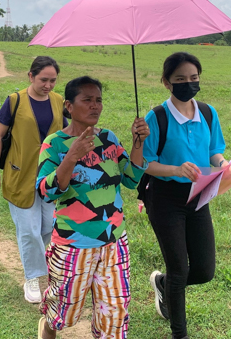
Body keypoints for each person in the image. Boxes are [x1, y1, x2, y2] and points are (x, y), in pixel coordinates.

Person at [35, 76, 149, 339]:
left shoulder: (109, 139)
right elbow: (47, 191)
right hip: (73, 243)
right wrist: (72, 157)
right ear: (69, 106)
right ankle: (48, 326)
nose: (95, 105)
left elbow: (131, 179)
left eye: (98, 100)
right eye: (87, 100)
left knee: (115, 314)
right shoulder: (54, 144)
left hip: (113, 240)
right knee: (65, 312)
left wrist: (137, 142)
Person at [141, 52, 231, 339]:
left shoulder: (208, 112)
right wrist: (177, 169)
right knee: (180, 268)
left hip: (198, 196)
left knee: (205, 270)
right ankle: (179, 333)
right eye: (180, 79)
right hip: (164, 197)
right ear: (167, 83)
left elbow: (213, 150)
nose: (188, 83)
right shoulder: (156, 117)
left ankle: (163, 284)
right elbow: (146, 163)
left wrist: (222, 164)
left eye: (193, 78)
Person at [0, 56, 67, 304]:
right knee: (28, 229)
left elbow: (65, 134)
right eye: (44, 79)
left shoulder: (57, 101)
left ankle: (35, 264)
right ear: (30, 76)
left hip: (49, 176)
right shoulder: (15, 101)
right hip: (19, 174)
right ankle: (32, 277)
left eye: (53, 80)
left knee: (47, 227)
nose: (48, 85)